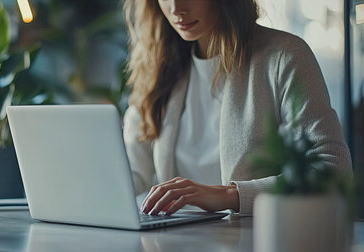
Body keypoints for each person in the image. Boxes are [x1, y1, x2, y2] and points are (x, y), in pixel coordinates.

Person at [122, 0, 352, 216]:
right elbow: (133, 174)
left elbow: (333, 170)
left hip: (258, 241)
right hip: (175, 241)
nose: (176, 8)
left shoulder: (284, 55)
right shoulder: (158, 70)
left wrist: (232, 195)